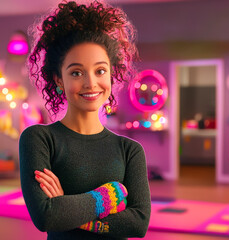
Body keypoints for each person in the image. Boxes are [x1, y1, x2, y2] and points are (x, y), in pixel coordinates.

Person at [19, 1, 151, 239]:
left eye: (100, 71)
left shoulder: (130, 150)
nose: (91, 83)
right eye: (76, 72)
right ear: (59, 79)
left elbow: (138, 224)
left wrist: (67, 208)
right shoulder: (39, 139)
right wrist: (104, 199)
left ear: (112, 73)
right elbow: (46, 217)